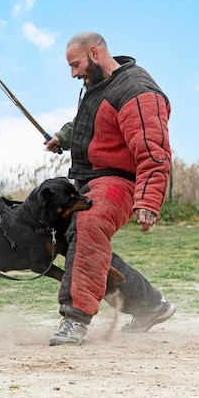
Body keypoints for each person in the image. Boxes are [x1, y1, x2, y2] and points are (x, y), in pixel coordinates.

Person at [44, 31, 175, 346]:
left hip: (120, 182)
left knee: (88, 225)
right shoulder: (99, 85)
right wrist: (62, 137)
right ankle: (149, 306)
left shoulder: (136, 91)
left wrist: (148, 200)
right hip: (91, 180)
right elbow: (88, 121)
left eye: (75, 65)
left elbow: (154, 150)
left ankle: (75, 320)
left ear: (94, 52)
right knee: (62, 234)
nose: (73, 73)